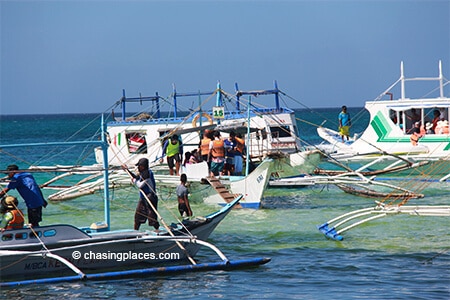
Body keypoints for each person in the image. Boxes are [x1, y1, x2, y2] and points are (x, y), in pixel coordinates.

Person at [123, 158, 160, 230]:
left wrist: (134, 181)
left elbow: (140, 185)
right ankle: (135, 233)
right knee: (138, 217)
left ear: (143, 166)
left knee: (152, 219)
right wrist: (127, 170)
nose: (138, 167)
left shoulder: (147, 174)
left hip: (150, 198)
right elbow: (136, 178)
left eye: (139, 166)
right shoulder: (142, 173)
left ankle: (158, 229)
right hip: (143, 198)